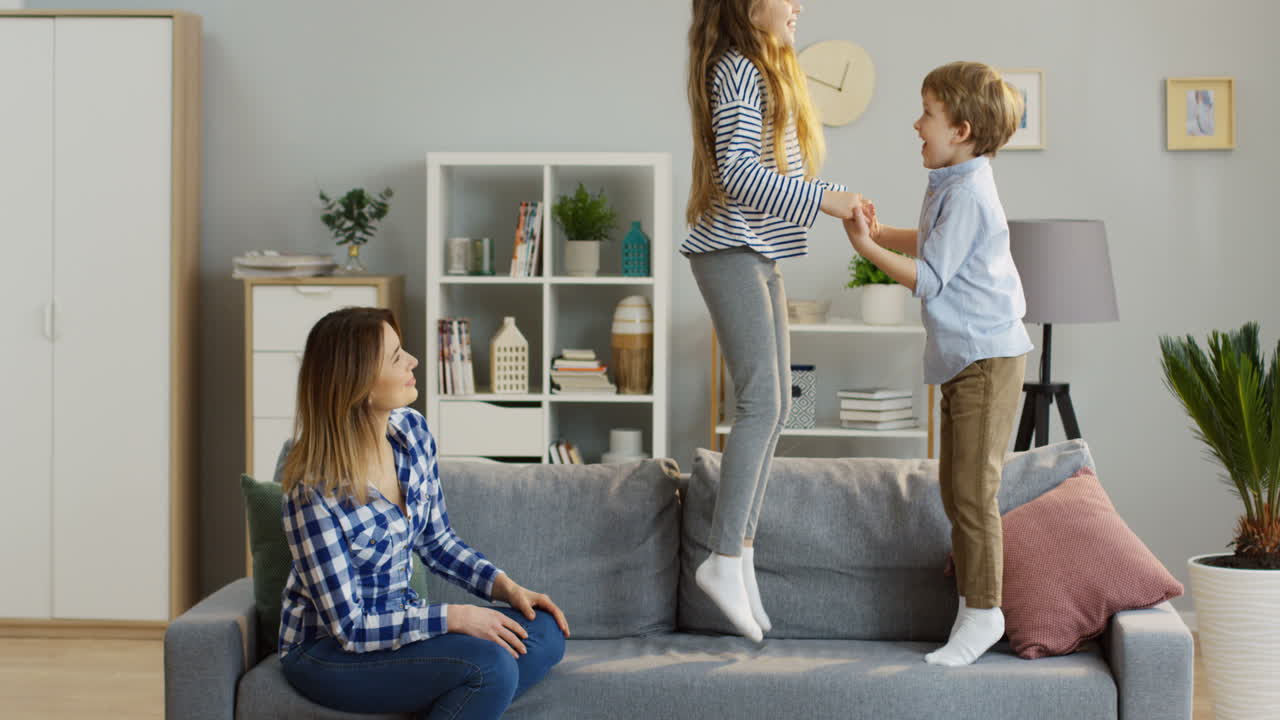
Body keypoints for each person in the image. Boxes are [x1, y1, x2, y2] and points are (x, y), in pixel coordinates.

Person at [276, 307, 569, 717]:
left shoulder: (410, 433)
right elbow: (351, 628)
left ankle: (455, 695)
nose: (414, 361)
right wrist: (455, 617)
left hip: (399, 627)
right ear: (358, 384)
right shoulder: (312, 492)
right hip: (330, 653)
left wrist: (505, 587)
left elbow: (436, 541)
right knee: (490, 665)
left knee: (544, 630)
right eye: (397, 357)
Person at [683, 0, 864, 642]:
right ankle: (724, 558)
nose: (799, 6)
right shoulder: (735, 67)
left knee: (780, 406)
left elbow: (757, 170)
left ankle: (742, 559)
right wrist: (825, 198)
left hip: (756, 248)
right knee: (761, 403)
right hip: (729, 248)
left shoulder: (760, 68)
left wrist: (827, 199)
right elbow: (737, 173)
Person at [843, 61, 1033, 666]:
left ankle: (985, 613)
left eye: (927, 113)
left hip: (986, 357)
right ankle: (971, 609)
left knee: (974, 492)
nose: (916, 124)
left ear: (962, 129)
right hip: (964, 357)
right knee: (957, 491)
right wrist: (884, 232)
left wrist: (866, 247)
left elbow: (928, 280)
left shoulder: (971, 192)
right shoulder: (952, 180)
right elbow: (933, 243)